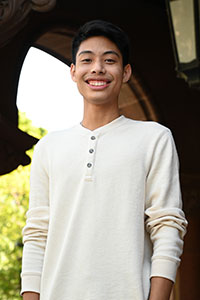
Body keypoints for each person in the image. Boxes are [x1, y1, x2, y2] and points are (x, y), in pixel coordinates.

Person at [21, 19, 187, 300]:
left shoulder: (154, 138)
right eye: (87, 60)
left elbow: (167, 225)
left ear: (126, 72)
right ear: (74, 72)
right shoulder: (49, 146)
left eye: (109, 60)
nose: (97, 68)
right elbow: (37, 234)